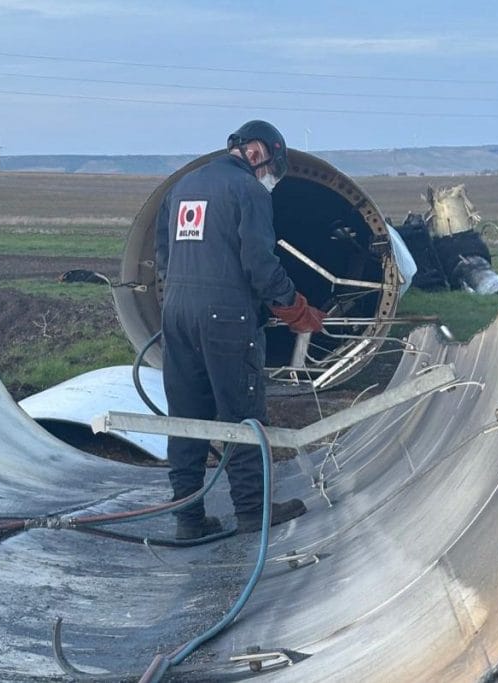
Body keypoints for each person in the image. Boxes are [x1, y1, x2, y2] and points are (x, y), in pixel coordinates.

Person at [155, 120, 326, 540]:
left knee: (186, 416)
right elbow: (260, 264)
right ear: (257, 153)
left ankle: (188, 519)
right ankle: (252, 510)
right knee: (242, 414)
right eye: (272, 170)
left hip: (175, 314)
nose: (270, 179)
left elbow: (163, 255)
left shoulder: (182, 186)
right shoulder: (248, 191)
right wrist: (293, 307)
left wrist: (186, 291)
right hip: (226, 318)